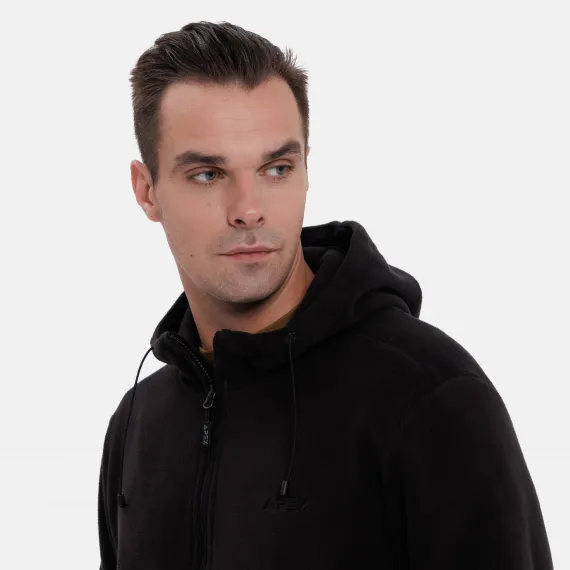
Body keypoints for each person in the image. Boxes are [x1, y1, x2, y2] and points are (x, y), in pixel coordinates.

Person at [97, 21, 554, 570]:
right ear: (146, 190)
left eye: (276, 169)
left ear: (306, 169)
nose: (249, 209)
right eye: (208, 174)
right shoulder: (138, 424)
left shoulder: (428, 397)